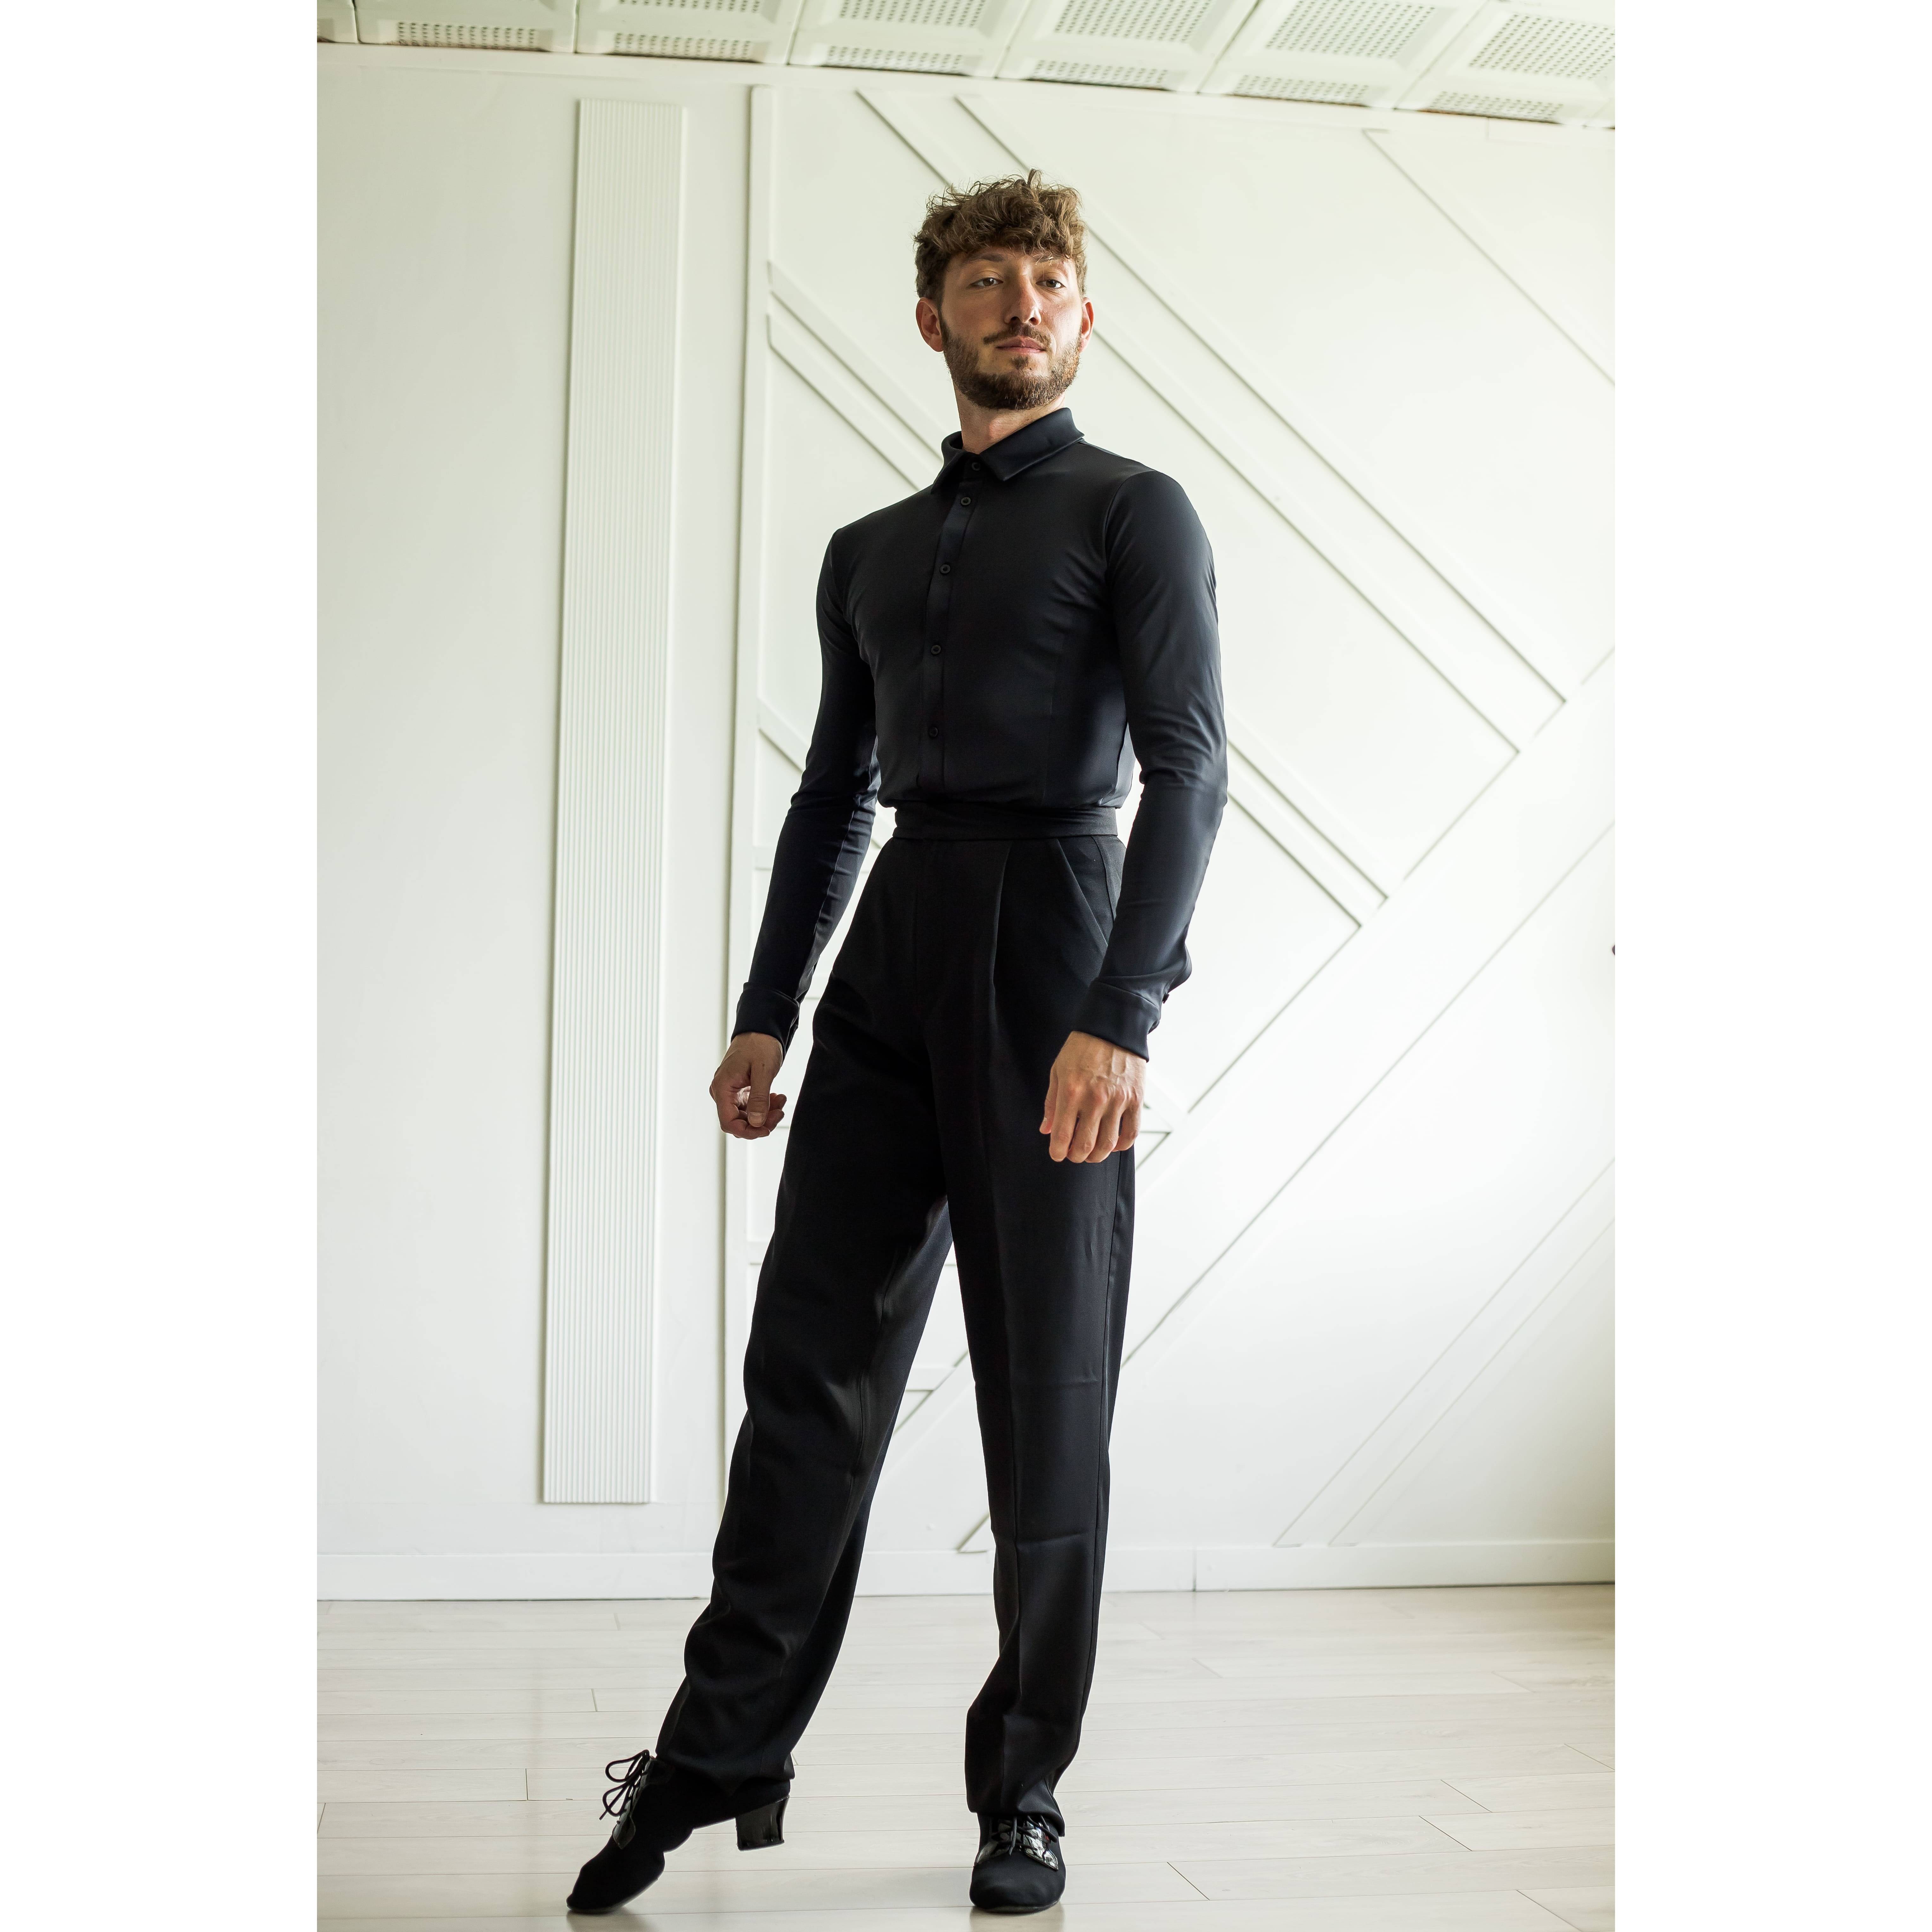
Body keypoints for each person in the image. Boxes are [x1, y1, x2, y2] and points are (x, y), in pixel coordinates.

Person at [567, 170, 1226, 1917]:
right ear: (933, 318)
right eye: (987, 281)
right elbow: (832, 796)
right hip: (890, 955)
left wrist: (1121, 1014)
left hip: (1057, 946)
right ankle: (714, 1758)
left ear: (1085, 314)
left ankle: (1026, 1793)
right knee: (809, 1376)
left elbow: (1191, 766)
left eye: (1050, 278)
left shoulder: (1135, 512)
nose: (1024, 303)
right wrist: (768, 1005)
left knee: (1045, 1391)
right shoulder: (864, 552)